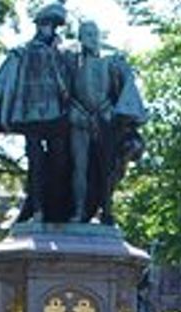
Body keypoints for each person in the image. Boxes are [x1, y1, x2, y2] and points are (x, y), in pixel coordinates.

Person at [0, 3, 71, 223]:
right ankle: (37, 209)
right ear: (40, 25)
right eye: (49, 24)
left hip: (57, 116)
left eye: (55, 25)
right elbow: (1, 83)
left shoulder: (63, 54)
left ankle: (56, 208)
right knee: (36, 162)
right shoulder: (22, 53)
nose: (53, 29)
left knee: (60, 160)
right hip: (30, 116)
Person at [65, 20, 146, 224]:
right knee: (79, 166)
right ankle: (78, 210)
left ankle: (106, 209)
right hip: (79, 120)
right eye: (87, 34)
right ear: (80, 38)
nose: (92, 38)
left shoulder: (111, 61)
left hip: (105, 118)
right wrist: (78, 112)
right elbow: (65, 92)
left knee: (108, 166)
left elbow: (122, 90)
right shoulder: (71, 61)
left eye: (95, 34)